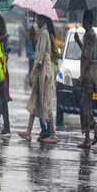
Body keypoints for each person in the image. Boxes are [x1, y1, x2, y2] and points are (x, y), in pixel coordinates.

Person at [18, 14, 57, 143]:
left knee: (46, 102)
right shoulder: (41, 33)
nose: (37, 21)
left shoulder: (45, 33)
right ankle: (28, 132)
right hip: (40, 71)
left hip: (44, 73)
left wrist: (32, 71)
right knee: (34, 101)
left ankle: (53, 134)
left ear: (43, 20)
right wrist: (32, 37)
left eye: (39, 19)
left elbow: (40, 56)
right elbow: (36, 50)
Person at [74, 10, 97, 149]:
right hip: (88, 76)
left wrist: (81, 75)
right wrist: (79, 42)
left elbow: (87, 57)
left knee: (85, 107)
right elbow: (86, 52)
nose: (82, 22)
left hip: (88, 77)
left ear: (88, 21)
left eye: (83, 20)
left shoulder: (90, 35)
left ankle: (89, 137)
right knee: (85, 107)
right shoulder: (88, 35)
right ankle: (93, 132)